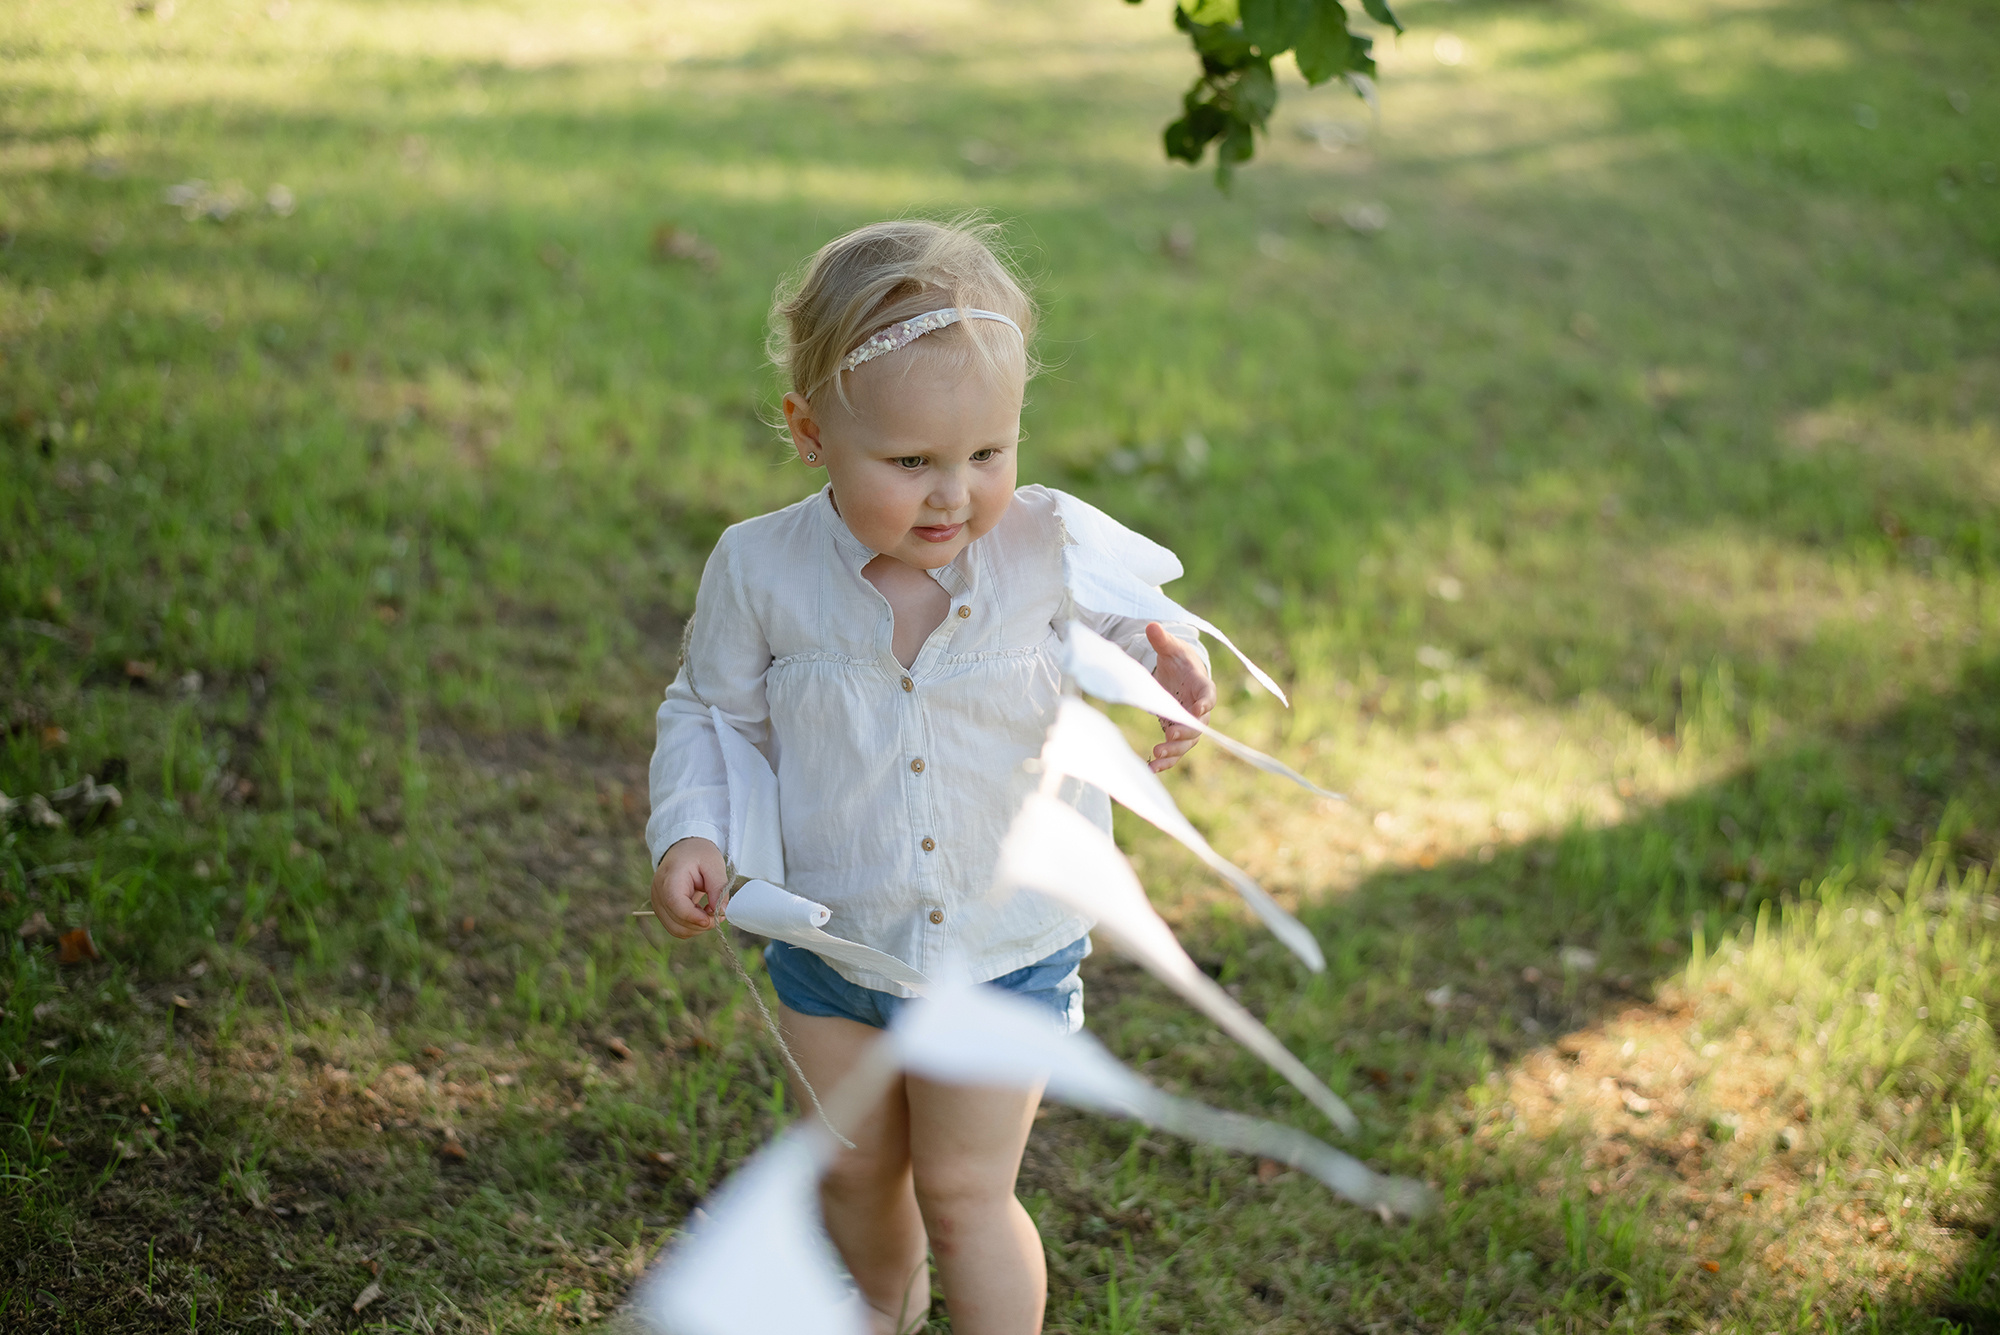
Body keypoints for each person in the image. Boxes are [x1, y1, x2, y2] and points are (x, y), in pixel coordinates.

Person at [645, 217, 1217, 1335]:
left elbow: (1134, 610)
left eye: (986, 454)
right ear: (810, 433)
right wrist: (693, 833)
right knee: (856, 1178)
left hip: (1002, 953)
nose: (954, 494)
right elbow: (708, 712)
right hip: (833, 943)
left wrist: (1167, 651)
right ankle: (881, 1311)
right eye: (910, 463)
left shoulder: (1043, 543)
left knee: (964, 1193)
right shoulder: (759, 569)